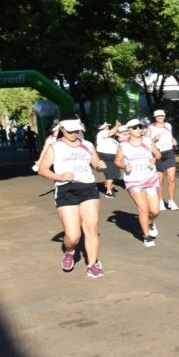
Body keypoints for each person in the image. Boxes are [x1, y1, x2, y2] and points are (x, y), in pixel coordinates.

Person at [35, 118, 106, 278]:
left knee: (91, 228)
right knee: (73, 236)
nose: (74, 133)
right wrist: (59, 176)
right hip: (66, 189)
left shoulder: (87, 145)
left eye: (76, 130)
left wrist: (99, 166)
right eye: (70, 131)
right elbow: (42, 169)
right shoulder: (55, 147)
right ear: (62, 129)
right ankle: (69, 251)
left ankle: (92, 264)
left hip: (88, 188)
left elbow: (96, 163)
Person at [115, 119, 162, 247]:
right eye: (135, 127)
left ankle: (150, 222)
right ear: (128, 130)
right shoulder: (123, 145)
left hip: (150, 178)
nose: (138, 129)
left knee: (155, 210)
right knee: (143, 208)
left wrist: (154, 159)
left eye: (140, 127)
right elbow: (117, 161)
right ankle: (146, 237)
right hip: (133, 180)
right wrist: (125, 166)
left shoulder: (147, 141)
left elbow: (158, 154)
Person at [148, 109, 179, 210]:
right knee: (160, 181)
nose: (160, 117)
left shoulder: (168, 125)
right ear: (155, 117)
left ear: (164, 116)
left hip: (169, 153)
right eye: (158, 116)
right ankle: (160, 201)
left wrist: (173, 139)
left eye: (162, 116)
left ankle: (171, 201)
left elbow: (170, 136)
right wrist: (153, 139)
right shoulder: (150, 128)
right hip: (158, 154)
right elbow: (145, 142)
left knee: (172, 179)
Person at [94, 121, 121, 198]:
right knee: (110, 174)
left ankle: (109, 185)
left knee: (116, 174)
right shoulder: (101, 133)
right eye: (106, 127)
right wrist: (117, 125)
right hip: (105, 156)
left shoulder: (110, 138)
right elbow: (111, 132)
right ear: (103, 127)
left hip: (114, 156)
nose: (108, 128)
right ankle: (108, 191)